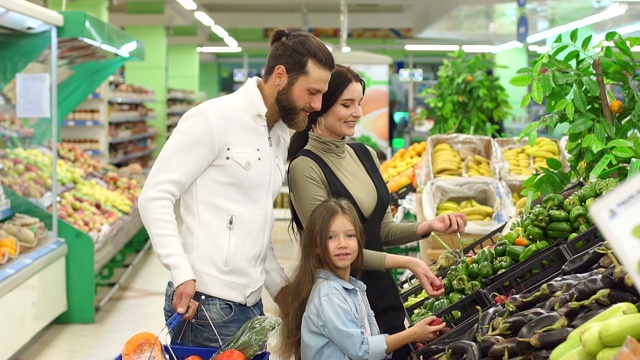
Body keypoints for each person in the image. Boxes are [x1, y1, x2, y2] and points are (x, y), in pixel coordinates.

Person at [137, 29, 334, 347]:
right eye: (311, 91)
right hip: (205, 306)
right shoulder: (213, 119)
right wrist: (180, 268)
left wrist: (281, 291)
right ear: (280, 76)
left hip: (250, 306)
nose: (317, 104)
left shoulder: (279, 134)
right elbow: (155, 196)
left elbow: (255, 224)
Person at [287, 64, 466, 359]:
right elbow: (332, 248)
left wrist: (428, 226)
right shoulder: (306, 168)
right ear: (320, 106)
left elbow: (380, 232)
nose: (357, 112)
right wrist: (407, 262)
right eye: (347, 104)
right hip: (341, 302)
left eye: (360, 103)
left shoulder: (365, 154)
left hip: (380, 297)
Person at [277, 198, 447, 360]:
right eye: (331, 237)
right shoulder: (329, 295)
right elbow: (362, 350)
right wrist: (412, 334)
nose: (342, 243)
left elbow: (371, 343)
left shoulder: (353, 287)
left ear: (359, 241)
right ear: (315, 246)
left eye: (350, 235)